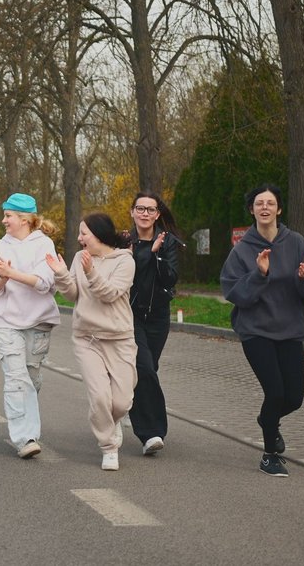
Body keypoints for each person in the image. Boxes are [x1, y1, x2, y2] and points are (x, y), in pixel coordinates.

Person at [220, 183, 304, 477]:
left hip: (290, 328)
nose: (264, 207)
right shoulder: (242, 250)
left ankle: (267, 420)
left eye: (270, 203)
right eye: (259, 203)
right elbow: (233, 292)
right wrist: (259, 274)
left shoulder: (297, 243)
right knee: (275, 392)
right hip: (256, 331)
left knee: (294, 398)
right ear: (252, 210)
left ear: (279, 209)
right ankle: (270, 455)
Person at [47, 212, 136, 471]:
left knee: (121, 402)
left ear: (99, 234)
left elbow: (109, 294)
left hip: (119, 339)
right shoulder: (79, 258)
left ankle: (111, 421)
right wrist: (61, 274)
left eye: (83, 233)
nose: (79, 238)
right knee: (99, 398)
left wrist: (91, 272)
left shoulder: (125, 261)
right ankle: (108, 447)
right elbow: (73, 294)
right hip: (87, 338)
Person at [0, 193, 60, 459]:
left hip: (38, 321)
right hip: (6, 321)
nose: (4, 220)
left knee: (30, 379)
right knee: (16, 379)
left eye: (8, 216)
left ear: (24, 219)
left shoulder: (44, 244)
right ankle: (25, 438)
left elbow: (44, 283)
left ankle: (27, 421)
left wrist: (11, 273)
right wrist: (2, 280)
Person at [127, 191, 181, 456]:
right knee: (144, 368)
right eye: (140, 208)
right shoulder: (125, 241)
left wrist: (157, 255)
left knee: (149, 370)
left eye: (150, 209)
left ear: (157, 214)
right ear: (132, 212)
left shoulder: (167, 241)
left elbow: (170, 279)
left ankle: (139, 414)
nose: (145, 213)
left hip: (158, 316)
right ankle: (152, 433)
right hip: (131, 316)